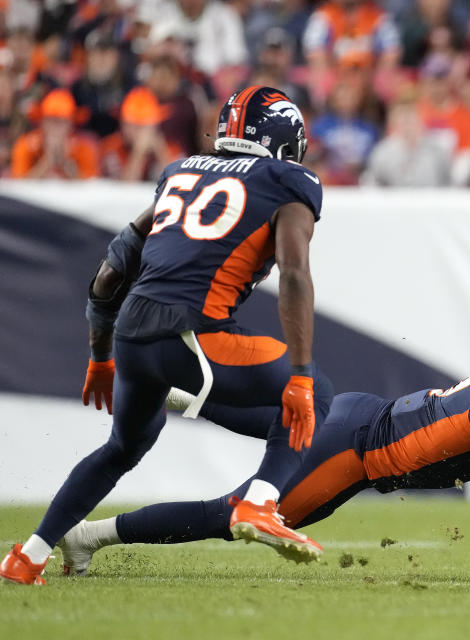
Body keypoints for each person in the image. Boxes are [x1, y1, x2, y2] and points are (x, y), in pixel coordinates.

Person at [0, 86, 334, 586]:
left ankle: (27, 556)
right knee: (315, 396)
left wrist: (100, 355)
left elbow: (111, 271)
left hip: (133, 333)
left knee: (124, 447)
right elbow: (294, 274)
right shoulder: (289, 180)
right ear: (286, 139)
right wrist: (302, 374)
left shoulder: (182, 170)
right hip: (194, 332)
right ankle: (259, 503)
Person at [56, 323, 470, 583]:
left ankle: (177, 394)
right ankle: (91, 536)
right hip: (355, 450)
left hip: (360, 421)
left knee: (274, 431)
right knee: (242, 515)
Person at [10, 88, 100, 179]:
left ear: (71, 125)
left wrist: (65, 162)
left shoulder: (84, 148)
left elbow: (90, 187)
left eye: (61, 122)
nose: (55, 127)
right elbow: (19, 185)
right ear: (42, 122)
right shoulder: (26, 145)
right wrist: (46, 162)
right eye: (51, 120)